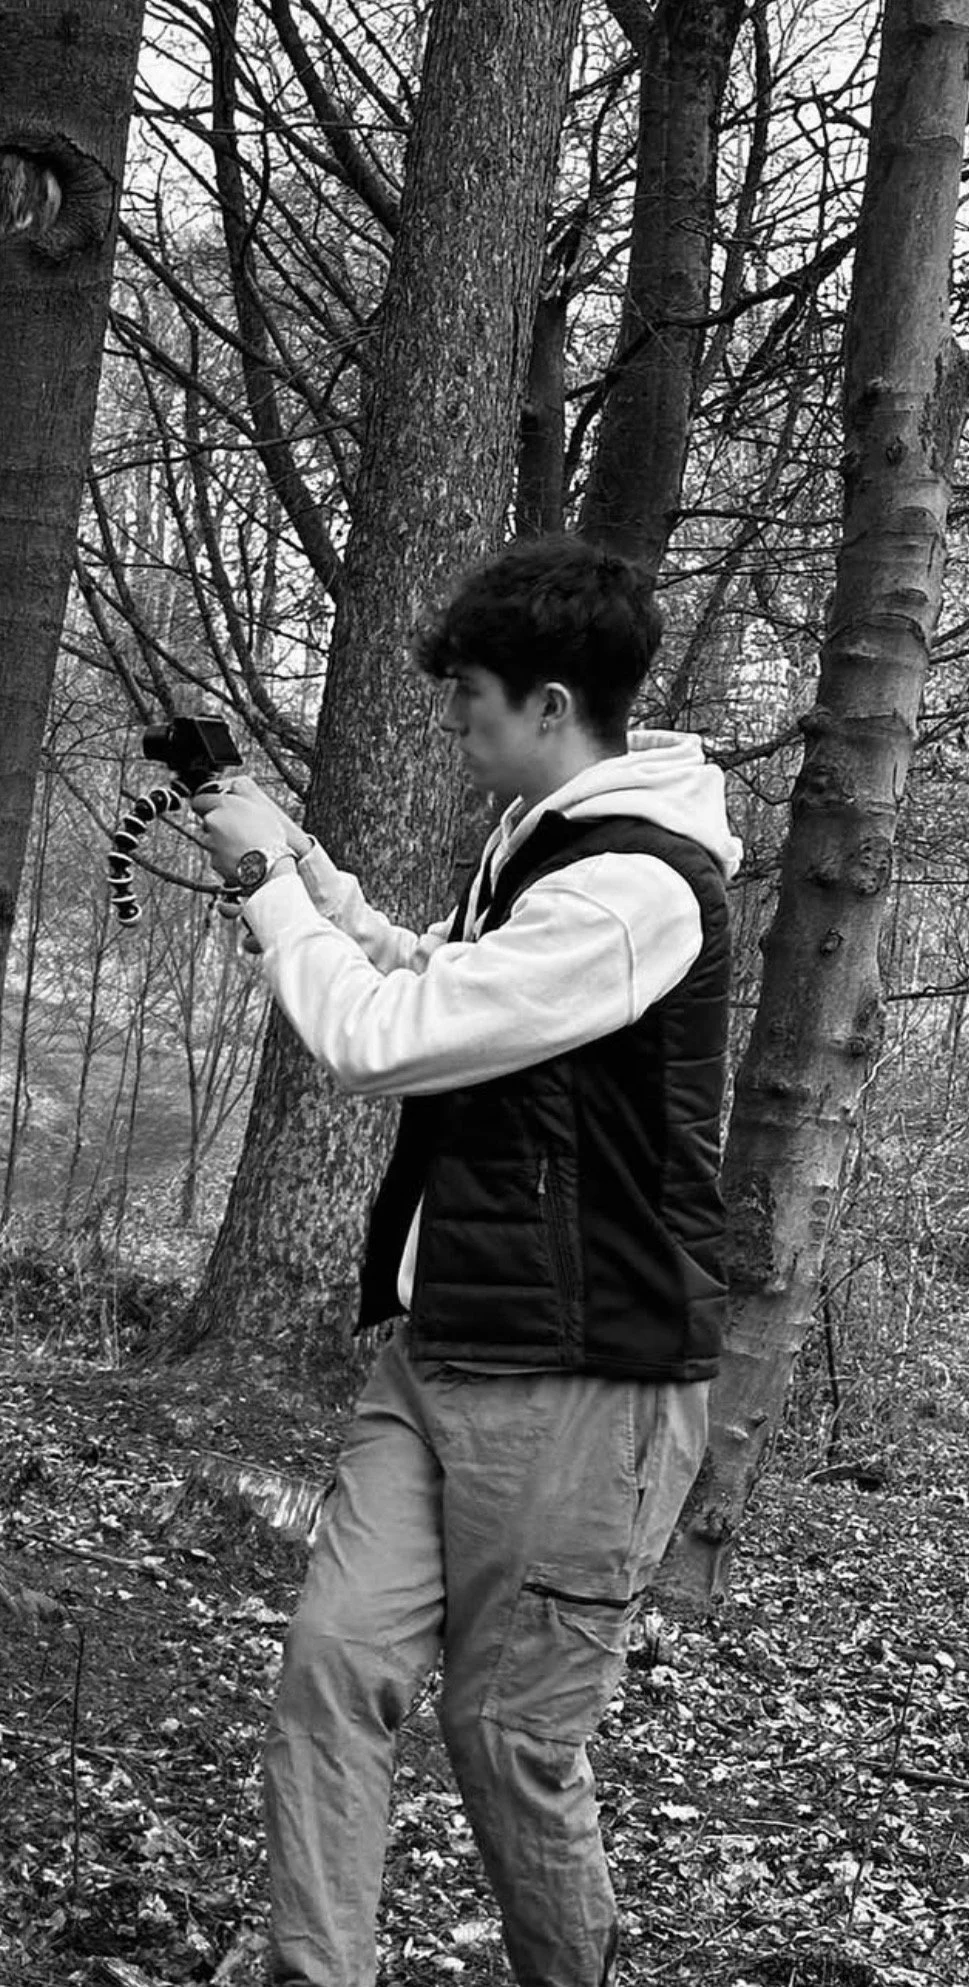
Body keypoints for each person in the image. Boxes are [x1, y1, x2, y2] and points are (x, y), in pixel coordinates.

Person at [193, 535, 742, 1987]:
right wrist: (312, 875)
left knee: (505, 1739)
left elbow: (382, 1038)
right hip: (437, 1352)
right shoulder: (543, 843)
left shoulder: (636, 889)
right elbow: (429, 970)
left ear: (552, 704)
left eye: (472, 701)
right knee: (330, 1668)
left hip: (584, 1381)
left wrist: (258, 876)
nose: (456, 724)